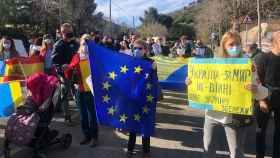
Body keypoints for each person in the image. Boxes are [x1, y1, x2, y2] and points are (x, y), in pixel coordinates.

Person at [186, 31, 268, 158]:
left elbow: (262, 92)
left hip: (235, 117)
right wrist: (191, 82)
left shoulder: (248, 65)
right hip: (212, 114)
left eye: (238, 44)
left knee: (236, 153)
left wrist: (255, 89)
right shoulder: (213, 64)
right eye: (231, 44)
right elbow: (201, 83)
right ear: (223, 46)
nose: (235, 47)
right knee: (208, 150)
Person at [65, 34, 99, 147]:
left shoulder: (95, 57)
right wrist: (67, 69)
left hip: (91, 90)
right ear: (80, 44)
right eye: (83, 43)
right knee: (83, 114)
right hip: (79, 89)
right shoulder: (77, 56)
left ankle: (94, 137)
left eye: (87, 44)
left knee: (92, 115)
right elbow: (69, 71)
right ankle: (87, 135)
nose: (85, 46)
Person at [126, 39, 158, 158]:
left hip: (146, 98)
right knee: (132, 126)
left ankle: (146, 151)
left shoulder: (151, 62)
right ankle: (130, 149)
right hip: (133, 98)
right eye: (135, 48)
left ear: (145, 50)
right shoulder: (130, 61)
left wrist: (154, 69)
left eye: (140, 48)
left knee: (146, 124)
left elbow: (155, 81)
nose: (137, 51)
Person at [254, 31, 280, 158]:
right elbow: (256, 80)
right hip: (264, 98)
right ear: (274, 41)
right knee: (261, 131)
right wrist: (261, 100)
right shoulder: (262, 58)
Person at [51, 23, 79, 125]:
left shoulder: (76, 44)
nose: (70, 34)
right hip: (65, 75)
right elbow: (55, 62)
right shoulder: (58, 45)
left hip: (76, 73)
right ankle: (67, 116)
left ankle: (81, 112)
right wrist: (61, 68)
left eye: (71, 31)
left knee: (77, 93)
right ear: (62, 33)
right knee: (65, 95)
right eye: (68, 32)